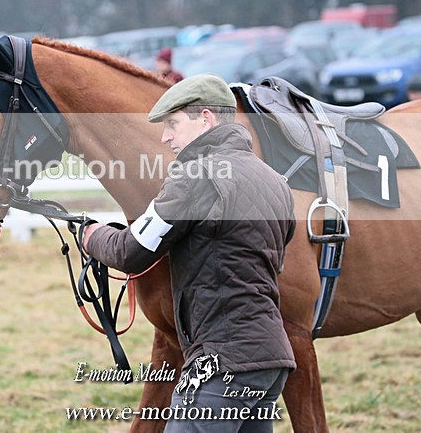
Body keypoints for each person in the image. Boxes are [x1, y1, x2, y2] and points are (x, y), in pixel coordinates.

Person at [82, 73, 296, 432]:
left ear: (206, 119)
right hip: (270, 362)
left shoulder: (194, 176)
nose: (165, 137)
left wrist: (91, 235)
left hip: (221, 364)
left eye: (173, 125)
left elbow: (130, 251)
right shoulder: (275, 182)